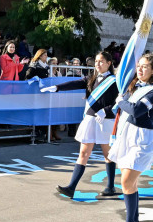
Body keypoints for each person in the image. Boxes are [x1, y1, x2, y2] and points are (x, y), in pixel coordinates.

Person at [42, 51, 120, 194]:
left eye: (101, 61)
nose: (98, 64)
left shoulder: (115, 81)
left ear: (109, 63)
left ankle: (110, 186)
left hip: (105, 120)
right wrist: (57, 88)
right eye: (96, 61)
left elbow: (119, 102)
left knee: (108, 154)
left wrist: (106, 110)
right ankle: (71, 188)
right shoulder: (92, 78)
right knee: (83, 153)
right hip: (90, 119)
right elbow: (75, 83)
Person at [106, 54, 153, 222]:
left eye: (145, 67)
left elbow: (136, 110)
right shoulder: (132, 87)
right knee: (131, 183)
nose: (140, 69)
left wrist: (120, 101)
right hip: (126, 134)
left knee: (126, 182)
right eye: (139, 66)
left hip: (143, 137)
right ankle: (135, 220)